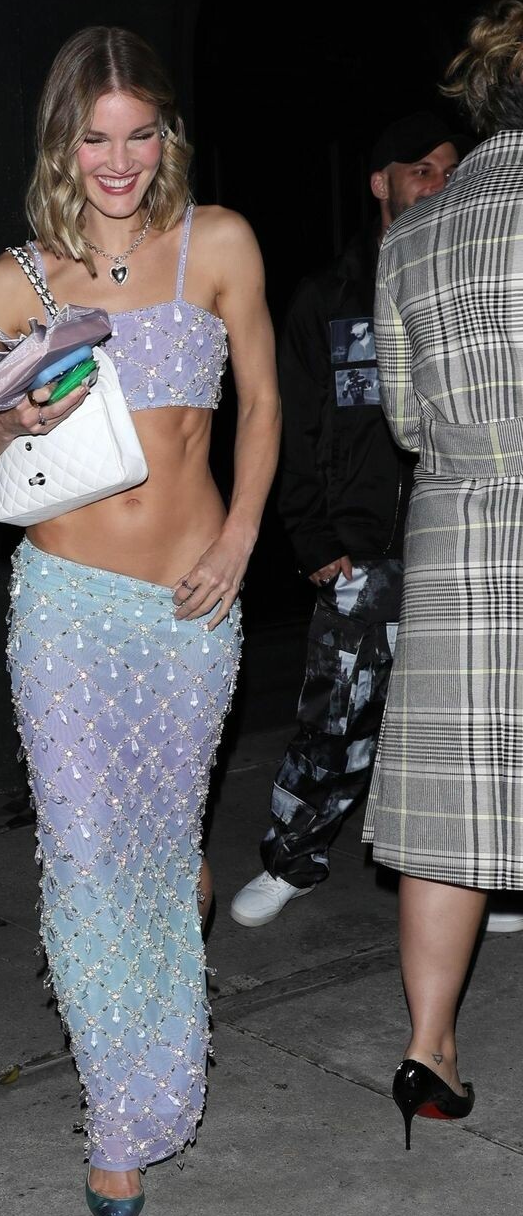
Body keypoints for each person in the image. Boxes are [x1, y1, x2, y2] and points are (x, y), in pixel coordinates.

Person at [0, 27, 279, 1216]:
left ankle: (153, 1000)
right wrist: (5, 418)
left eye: (139, 134)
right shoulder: (14, 281)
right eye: (94, 138)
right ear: (61, 144)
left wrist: (238, 540)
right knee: (88, 864)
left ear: (166, 136)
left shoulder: (218, 244)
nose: (119, 160)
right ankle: (121, 1122)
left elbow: (262, 406)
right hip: (66, 608)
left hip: (191, 606)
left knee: (165, 863)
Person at [230, 113, 463, 928]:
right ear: (380, 182)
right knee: (334, 719)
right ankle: (293, 860)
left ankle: (483, 874)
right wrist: (315, 539)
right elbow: (290, 426)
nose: (437, 182)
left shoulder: (470, 282)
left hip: (457, 541)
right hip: (361, 551)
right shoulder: (326, 299)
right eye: (420, 169)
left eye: (449, 168)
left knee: (464, 725)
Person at [362, 0, 523, 1145]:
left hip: (457, 530)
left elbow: (406, 421)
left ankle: (427, 1048)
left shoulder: (411, 234)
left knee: (446, 803)